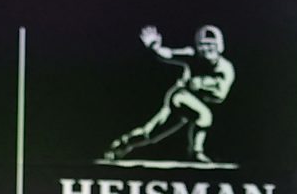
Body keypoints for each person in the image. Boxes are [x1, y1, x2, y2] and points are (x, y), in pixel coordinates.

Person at [101, 25, 235, 164]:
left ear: (219, 46)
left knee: (150, 134)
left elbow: (220, 96)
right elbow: (169, 54)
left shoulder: (226, 68)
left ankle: (122, 145)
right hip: (180, 96)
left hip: (192, 102)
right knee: (204, 116)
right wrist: (155, 47)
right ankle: (196, 152)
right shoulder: (192, 56)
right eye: (203, 45)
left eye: (210, 44)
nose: (207, 48)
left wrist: (202, 85)